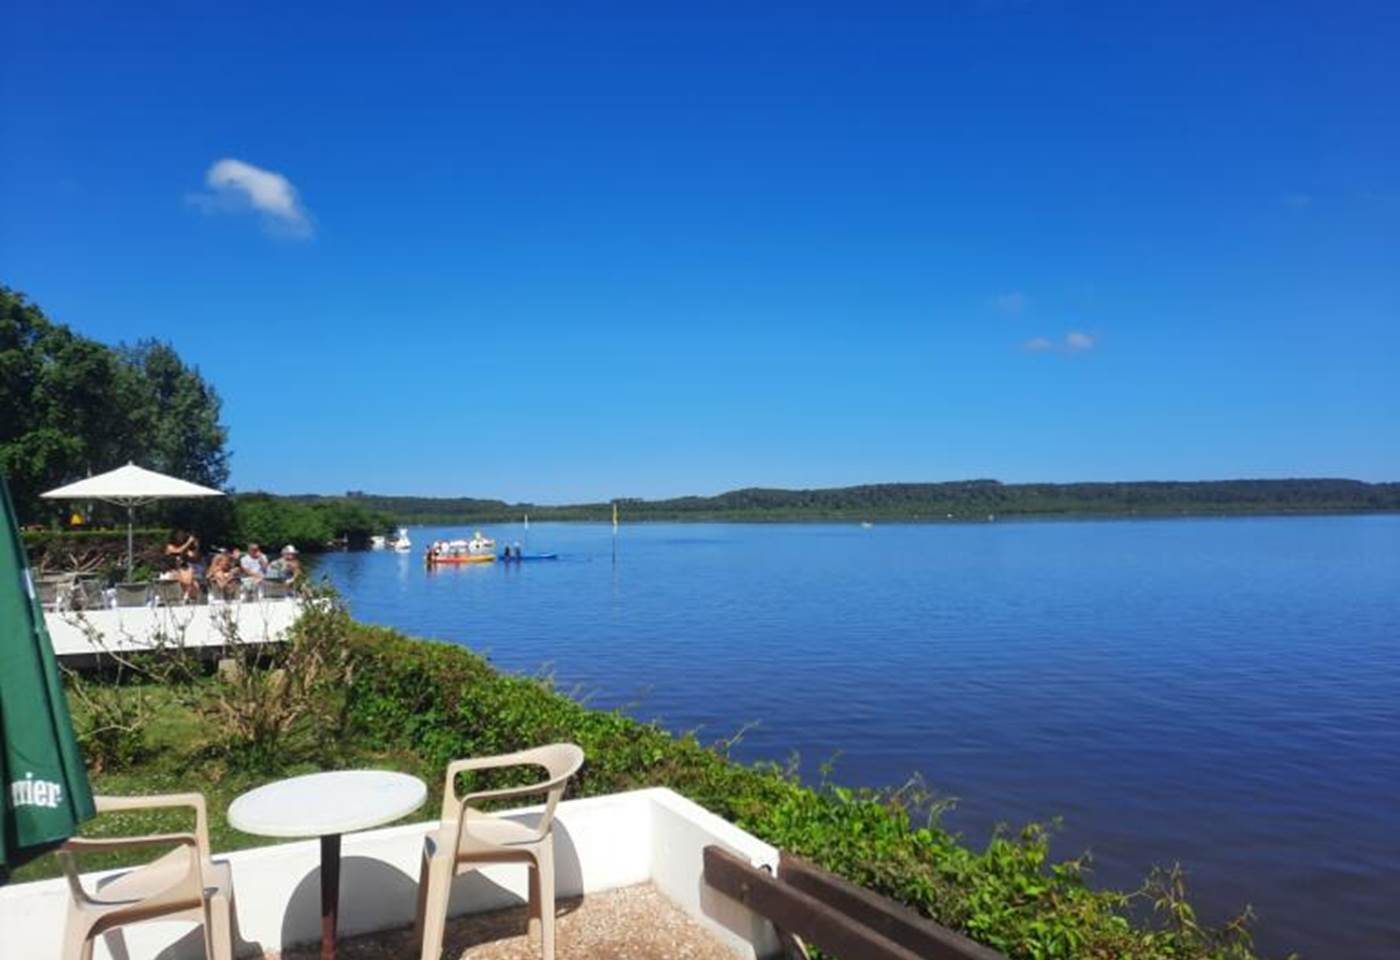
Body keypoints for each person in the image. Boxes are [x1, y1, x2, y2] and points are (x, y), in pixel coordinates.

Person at [164, 530, 201, 601]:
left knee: (193, 579)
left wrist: (196, 546)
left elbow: (194, 556)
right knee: (185, 574)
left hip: (182, 570)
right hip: (171, 569)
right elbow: (178, 551)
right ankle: (185, 595)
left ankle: (188, 596)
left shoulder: (185, 548)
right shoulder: (170, 546)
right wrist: (188, 542)